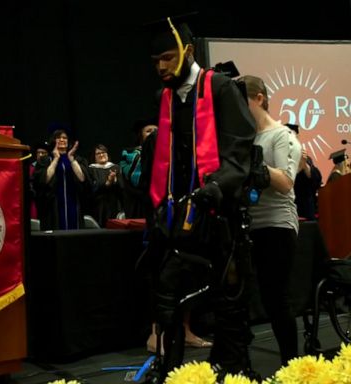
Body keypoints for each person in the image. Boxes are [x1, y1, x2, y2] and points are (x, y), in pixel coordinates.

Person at [139, 15, 259, 383]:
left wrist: (217, 186)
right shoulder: (167, 98)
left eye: (167, 57)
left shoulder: (219, 87)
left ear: (188, 51)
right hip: (179, 216)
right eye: (155, 59)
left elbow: (239, 150)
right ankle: (173, 371)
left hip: (218, 214)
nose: (161, 66)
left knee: (229, 302)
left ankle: (235, 373)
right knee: (168, 298)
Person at [239, 75, 302, 366]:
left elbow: (286, 182)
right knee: (257, 299)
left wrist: (255, 165)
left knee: (277, 300)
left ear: (260, 98)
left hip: (278, 226)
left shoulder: (282, 135)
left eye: (243, 101)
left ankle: (293, 366)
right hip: (251, 227)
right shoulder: (247, 137)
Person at [33, 129, 89, 230]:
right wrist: (56, 158)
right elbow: (44, 180)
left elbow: (82, 178)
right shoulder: (46, 160)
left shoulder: (76, 159)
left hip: (74, 202)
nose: (62, 140)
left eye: (65, 138)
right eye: (58, 138)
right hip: (53, 205)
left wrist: (71, 158)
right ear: (53, 141)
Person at [120, 118, 158, 218]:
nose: (153, 134)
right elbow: (138, 181)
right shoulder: (130, 154)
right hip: (138, 205)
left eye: (156, 131)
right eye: (148, 131)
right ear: (140, 135)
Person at [285, 124, 322, 220]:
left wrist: (304, 164)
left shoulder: (306, 158)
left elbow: (315, 180)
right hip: (288, 206)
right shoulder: (280, 157)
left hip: (306, 208)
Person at [87, 144, 125, 227]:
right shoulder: (91, 169)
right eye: (98, 153)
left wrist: (114, 180)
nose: (101, 155)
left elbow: (122, 188)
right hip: (98, 206)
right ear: (94, 156)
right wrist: (107, 182)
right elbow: (91, 189)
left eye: (103, 152)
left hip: (114, 205)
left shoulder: (115, 167)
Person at [29, 140, 50, 220]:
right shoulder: (31, 168)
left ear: (48, 154)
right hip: (36, 201)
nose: (40, 155)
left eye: (43, 153)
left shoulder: (51, 167)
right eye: (38, 153)